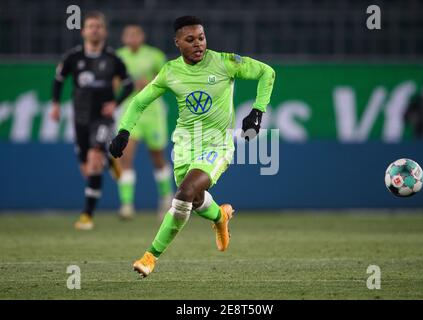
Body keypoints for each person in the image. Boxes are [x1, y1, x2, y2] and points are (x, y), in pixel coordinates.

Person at [109, 16, 275, 277]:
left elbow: (267, 72)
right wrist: (124, 131)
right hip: (185, 144)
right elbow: (139, 102)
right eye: (190, 40)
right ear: (177, 43)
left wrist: (257, 111)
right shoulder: (170, 72)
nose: (198, 44)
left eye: (201, 37)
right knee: (195, 200)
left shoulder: (225, 62)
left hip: (217, 144)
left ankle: (150, 257)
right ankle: (221, 217)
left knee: (185, 192)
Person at [51, 11, 133, 230]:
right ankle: (109, 161)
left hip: (103, 118)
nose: (94, 29)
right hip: (80, 117)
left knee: (94, 157)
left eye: (98, 26)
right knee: (87, 170)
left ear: (104, 31)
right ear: (83, 31)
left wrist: (115, 103)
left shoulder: (113, 58)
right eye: (90, 26)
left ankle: (87, 215)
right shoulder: (73, 57)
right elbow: (58, 80)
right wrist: (55, 104)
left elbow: (129, 84)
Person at [115, 25, 173, 220]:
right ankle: (126, 204)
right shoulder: (118, 57)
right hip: (130, 112)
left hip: (153, 113)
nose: (132, 38)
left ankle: (166, 199)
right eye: (128, 35)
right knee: (126, 157)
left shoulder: (155, 55)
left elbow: (165, 80)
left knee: (157, 157)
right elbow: (114, 83)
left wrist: (149, 84)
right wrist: (129, 85)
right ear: (123, 38)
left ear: (142, 37)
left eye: (135, 34)